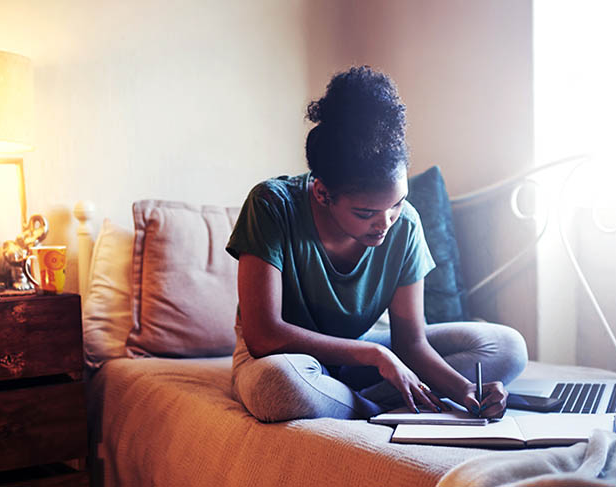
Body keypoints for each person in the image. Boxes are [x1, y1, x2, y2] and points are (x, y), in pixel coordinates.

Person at [226, 66, 527, 422]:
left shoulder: (407, 225)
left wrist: (466, 392)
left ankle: (349, 401)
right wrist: (374, 355)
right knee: (279, 387)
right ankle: (379, 406)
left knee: (508, 348)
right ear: (323, 193)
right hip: (284, 359)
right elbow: (263, 335)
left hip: (359, 362)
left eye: (397, 204)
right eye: (366, 211)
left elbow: (411, 344)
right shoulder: (272, 206)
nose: (385, 223)